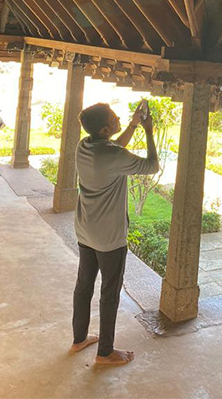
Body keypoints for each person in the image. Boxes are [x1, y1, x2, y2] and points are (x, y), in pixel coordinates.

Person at [70, 100, 158, 366]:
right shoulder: (113, 156)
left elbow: (115, 147)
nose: (119, 117)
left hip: (85, 230)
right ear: (106, 130)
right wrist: (149, 131)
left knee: (84, 286)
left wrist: (132, 125)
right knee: (110, 293)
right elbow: (152, 165)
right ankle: (105, 352)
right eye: (114, 118)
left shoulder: (84, 146)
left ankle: (79, 339)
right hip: (109, 238)